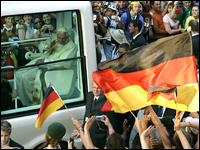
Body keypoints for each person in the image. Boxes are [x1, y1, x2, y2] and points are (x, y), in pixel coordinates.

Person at [16, 27, 77, 106]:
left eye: (63, 38)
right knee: (18, 73)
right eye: (59, 37)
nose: (61, 40)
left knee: (25, 78)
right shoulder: (54, 38)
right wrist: (48, 47)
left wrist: (45, 62)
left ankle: (30, 104)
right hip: (42, 59)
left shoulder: (71, 47)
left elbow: (63, 63)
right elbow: (42, 44)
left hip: (49, 68)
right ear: (57, 35)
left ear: (68, 37)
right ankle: (21, 99)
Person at [72, 81, 118, 149]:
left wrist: (107, 144)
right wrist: (81, 130)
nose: (96, 91)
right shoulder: (90, 95)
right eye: (94, 87)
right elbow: (87, 115)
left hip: (99, 141)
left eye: (98, 88)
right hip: (87, 137)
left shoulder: (108, 102)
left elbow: (111, 124)